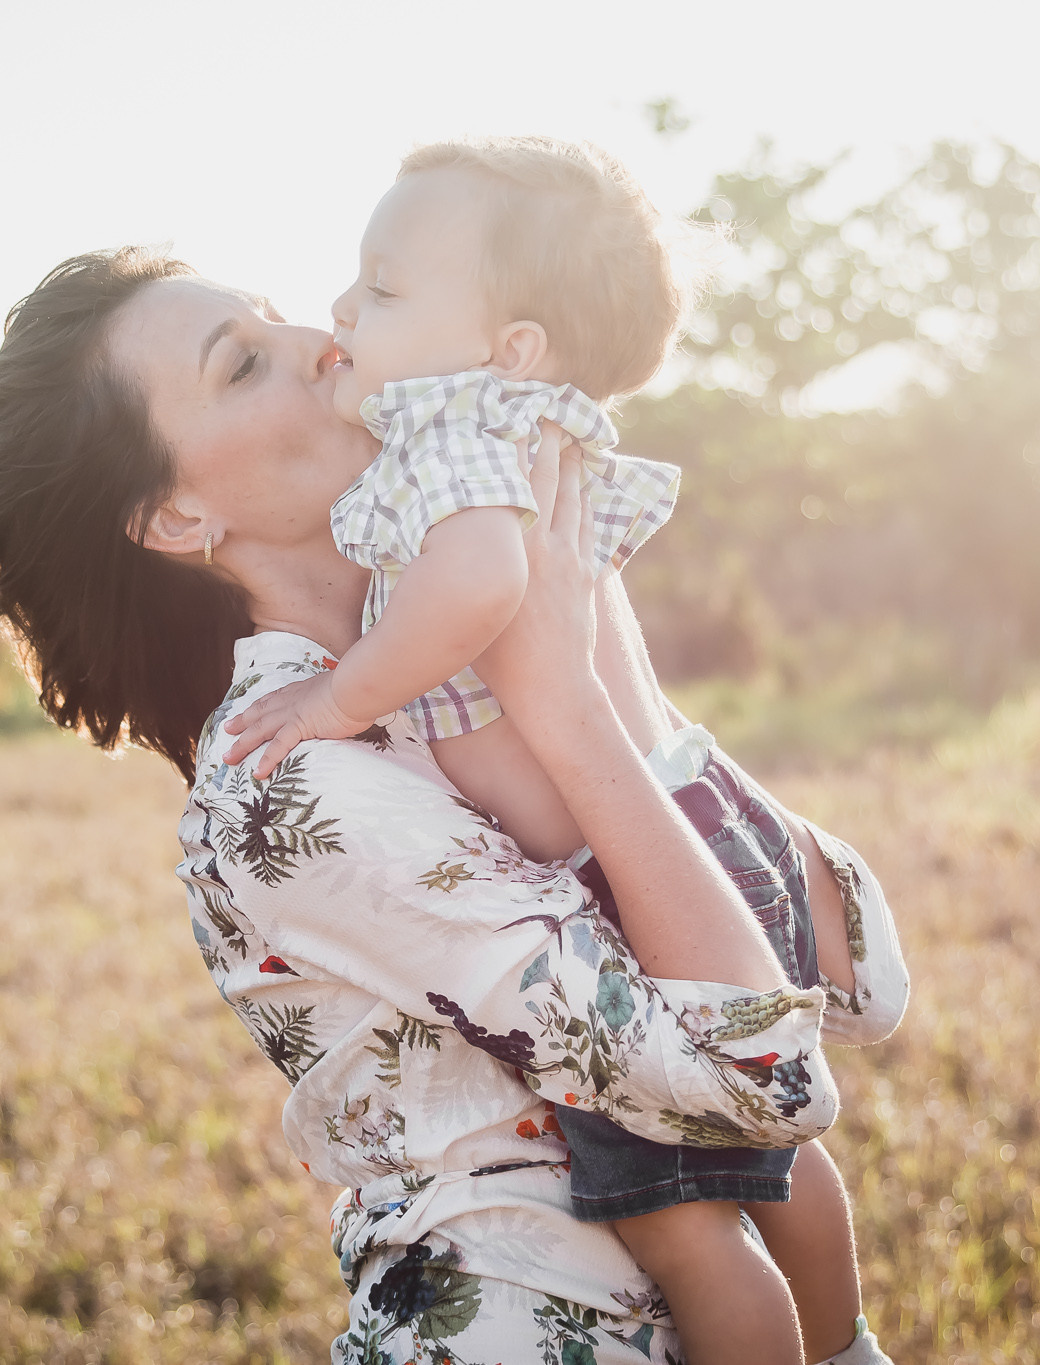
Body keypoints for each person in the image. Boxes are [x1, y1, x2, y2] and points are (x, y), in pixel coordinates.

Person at [0, 245, 905, 1363]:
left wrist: (599, 662)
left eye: (280, 316)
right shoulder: (285, 782)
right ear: (176, 517)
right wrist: (570, 705)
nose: (325, 341)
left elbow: (854, 980)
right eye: (243, 364)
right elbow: (763, 1079)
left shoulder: (473, 643)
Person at [217, 137, 906, 1365]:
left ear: (512, 346)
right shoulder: (519, 428)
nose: (339, 314)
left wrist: (337, 697)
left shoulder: (452, 435)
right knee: (776, 1163)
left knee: (688, 1234)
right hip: (690, 821)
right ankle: (847, 1346)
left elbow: (479, 584)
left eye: (383, 289)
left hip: (631, 873)